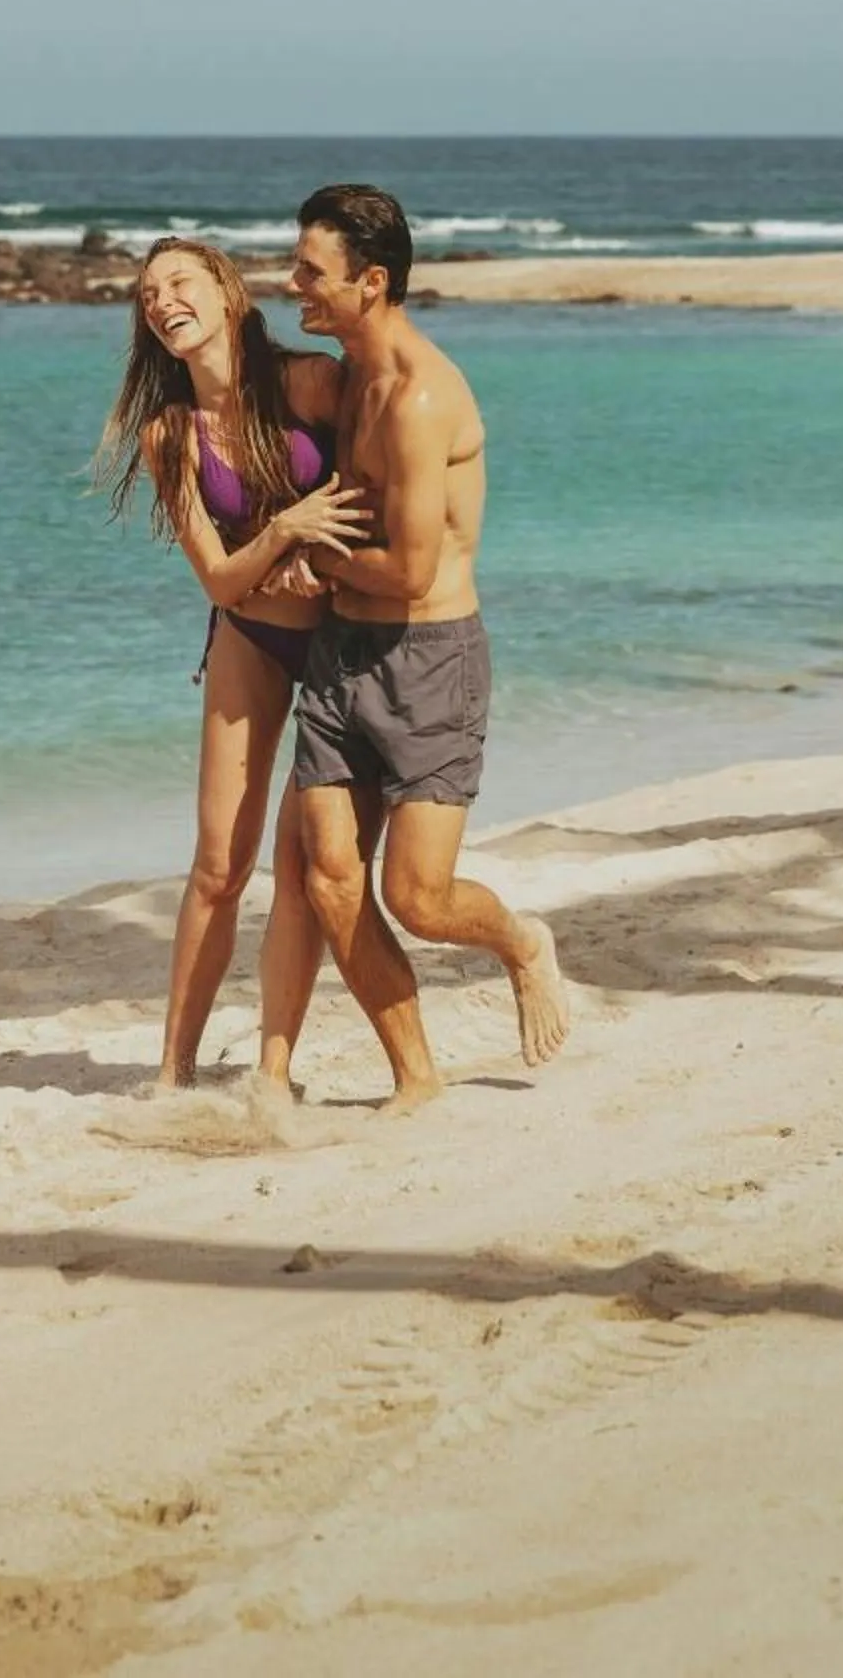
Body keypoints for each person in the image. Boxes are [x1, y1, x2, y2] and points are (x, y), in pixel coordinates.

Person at [286, 181, 568, 1108]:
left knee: (418, 897)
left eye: (311, 272)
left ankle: (522, 942)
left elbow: (409, 570)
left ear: (370, 282)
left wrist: (309, 557)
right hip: (340, 660)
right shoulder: (346, 374)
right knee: (330, 881)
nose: (295, 285)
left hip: (429, 658)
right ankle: (415, 1075)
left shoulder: (415, 399)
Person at [96, 235, 371, 1096]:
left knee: (301, 868)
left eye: (178, 282)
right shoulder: (169, 434)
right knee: (219, 864)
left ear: (225, 290)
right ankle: (173, 1072)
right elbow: (216, 575)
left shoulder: (311, 384)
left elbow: (379, 497)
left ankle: (273, 1071)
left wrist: (319, 560)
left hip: (339, 639)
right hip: (247, 636)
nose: (162, 301)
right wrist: (283, 535)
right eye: (148, 297)